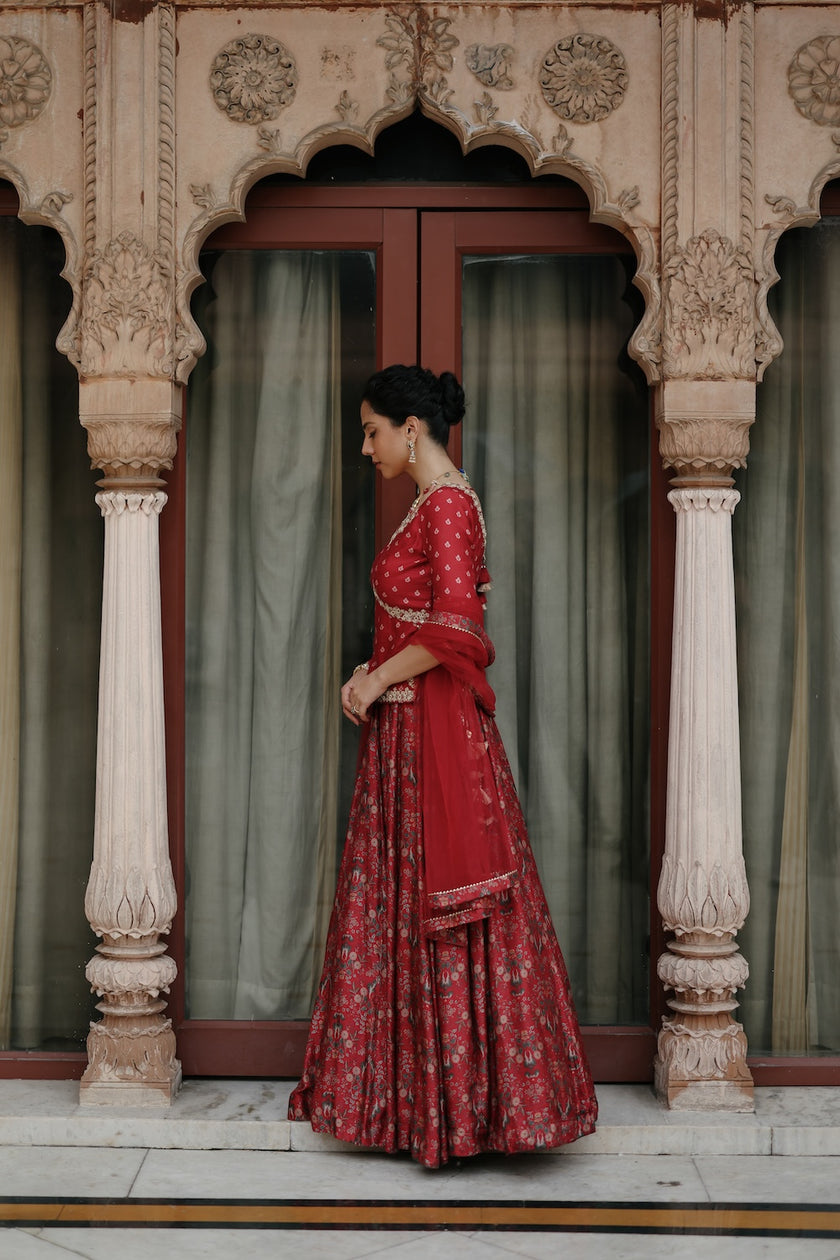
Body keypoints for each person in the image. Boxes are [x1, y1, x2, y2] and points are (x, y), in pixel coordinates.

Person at [288, 364, 597, 1168]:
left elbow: (458, 628)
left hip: (434, 740)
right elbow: (422, 625)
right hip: (408, 734)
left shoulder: (450, 506)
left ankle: (464, 1114)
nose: (366, 447)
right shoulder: (431, 507)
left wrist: (376, 677)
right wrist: (376, 673)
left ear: (411, 428)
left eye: (371, 430)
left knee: (445, 911)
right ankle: (418, 1108)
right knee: (403, 911)